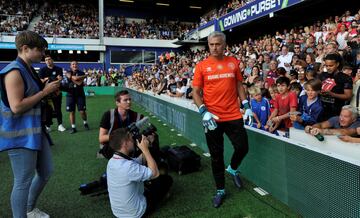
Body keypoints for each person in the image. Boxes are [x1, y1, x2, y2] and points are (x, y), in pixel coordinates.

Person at [0, 31, 60, 218]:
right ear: (25, 49)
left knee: (46, 171)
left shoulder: (26, 68)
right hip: (19, 135)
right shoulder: (14, 71)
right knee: (22, 181)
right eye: (40, 50)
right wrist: (44, 92)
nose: (43, 54)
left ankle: (29, 209)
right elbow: (17, 107)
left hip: (34, 132)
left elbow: (27, 95)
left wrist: (42, 87)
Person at [192, 31, 252, 208]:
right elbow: (196, 91)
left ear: (225, 45)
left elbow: (238, 85)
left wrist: (246, 105)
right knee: (216, 156)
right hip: (212, 118)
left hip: (233, 114)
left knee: (243, 147)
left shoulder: (233, 62)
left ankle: (233, 168)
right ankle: (220, 190)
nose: (214, 48)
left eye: (218, 44)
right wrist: (203, 111)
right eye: (211, 44)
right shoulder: (202, 66)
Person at [107, 128, 173, 218]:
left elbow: (138, 161)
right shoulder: (128, 167)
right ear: (125, 144)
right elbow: (155, 173)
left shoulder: (112, 161)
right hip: (135, 213)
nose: (134, 141)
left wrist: (147, 146)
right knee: (166, 180)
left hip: (118, 212)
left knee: (148, 183)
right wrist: (146, 150)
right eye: (131, 139)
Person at [99, 90, 144, 159]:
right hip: (113, 145)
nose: (129, 102)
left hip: (130, 145)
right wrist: (120, 136)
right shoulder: (108, 115)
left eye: (129, 99)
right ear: (117, 103)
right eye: (125, 100)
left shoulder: (137, 116)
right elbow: (101, 138)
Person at [318, 53, 353, 121]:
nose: (328, 68)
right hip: (320, 109)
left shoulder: (345, 78)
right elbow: (315, 88)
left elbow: (348, 96)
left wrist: (332, 94)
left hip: (335, 111)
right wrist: (319, 92)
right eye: (326, 65)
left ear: (337, 64)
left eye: (331, 65)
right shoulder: (322, 75)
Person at [39, 55, 66, 132]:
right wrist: (51, 78)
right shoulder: (42, 70)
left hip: (56, 92)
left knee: (58, 109)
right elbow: (41, 81)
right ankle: (48, 126)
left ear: (52, 60)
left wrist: (47, 79)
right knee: (47, 110)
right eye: (46, 60)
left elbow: (59, 80)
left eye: (49, 59)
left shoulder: (58, 69)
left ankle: (60, 125)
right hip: (46, 93)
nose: (47, 61)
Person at [65, 61, 89, 134]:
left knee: (82, 111)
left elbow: (79, 83)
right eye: (73, 64)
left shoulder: (81, 72)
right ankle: (73, 127)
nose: (74, 65)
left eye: (75, 64)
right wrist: (85, 76)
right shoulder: (67, 72)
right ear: (70, 66)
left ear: (77, 65)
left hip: (80, 95)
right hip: (70, 95)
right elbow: (76, 80)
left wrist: (74, 78)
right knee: (72, 112)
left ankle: (85, 123)